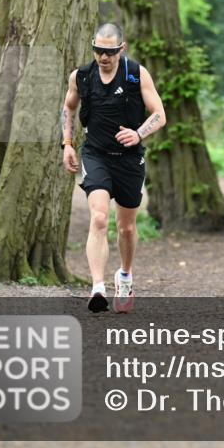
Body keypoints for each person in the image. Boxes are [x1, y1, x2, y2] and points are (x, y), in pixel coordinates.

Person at [61, 23, 166, 313]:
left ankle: (125, 275)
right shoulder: (81, 76)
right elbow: (69, 107)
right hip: (95, 154)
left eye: (109, 51)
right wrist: (67, 143)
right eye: (98, 50)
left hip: (130, 159)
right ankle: (97, 288)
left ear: (122, 48)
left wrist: (138, 134)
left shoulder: (136, 74)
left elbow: (159, 115)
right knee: (98, 218)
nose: (103, 57)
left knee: (126, 226)